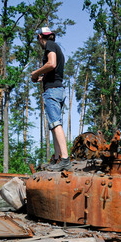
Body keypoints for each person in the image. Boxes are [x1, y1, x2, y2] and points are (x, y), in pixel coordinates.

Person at [31, 27, 71, 171]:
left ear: (40, 37)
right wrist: (41, 77)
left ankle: (65, 159)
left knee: (55, 123)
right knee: (54, 126)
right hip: (58, 89)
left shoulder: (50, 45)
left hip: (53, 91)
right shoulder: (56, 46)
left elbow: (52, 63)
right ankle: (56, 159)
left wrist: (35, 72)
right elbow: (53, 69)